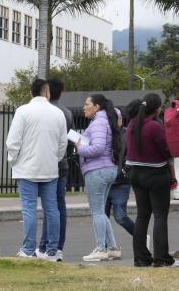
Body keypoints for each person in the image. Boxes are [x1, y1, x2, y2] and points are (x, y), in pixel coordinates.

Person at [5, 78, 67, 261]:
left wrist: (13, 160)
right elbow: (62, 143)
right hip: (49, 169)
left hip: (26, 169)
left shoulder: (23, 111)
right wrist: (54, 159)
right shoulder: (58, 114)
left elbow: (13, 141)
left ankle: (28, 250)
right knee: (52, 210)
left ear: (31, 92)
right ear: (47, 92)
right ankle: (52, 251)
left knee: (29, 209)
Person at [126, 92, 176, 267]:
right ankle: (161, 258)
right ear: (157, 109)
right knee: (160, 216)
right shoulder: (155, 127)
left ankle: (140, 258)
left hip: (136, 174)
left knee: (142, 215)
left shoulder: (133, 124)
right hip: (155, 174)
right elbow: (167, 150)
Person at [77, 94, 121, 262]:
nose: (84, 107)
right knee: (101, 211)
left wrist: (80, 147)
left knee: (97, 211)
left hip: (97, 170)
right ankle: (112, 248)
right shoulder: (107, 120)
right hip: (108, 168)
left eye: (87, 104)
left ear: (96, 107)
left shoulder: (98, 123)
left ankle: (100, 249)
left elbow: (97, 148)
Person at [45, 77, 72, 261]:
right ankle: (58, 246)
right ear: (61, 92)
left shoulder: (43, 111)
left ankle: (46, 244)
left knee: (47, 205)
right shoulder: (67, 113)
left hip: (44, 163)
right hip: (62, 163)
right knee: (59, 205)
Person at [106, 104, 136, 241]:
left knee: (120, 217)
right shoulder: (104, 134)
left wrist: (124, 171)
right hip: (105, 181)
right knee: (102, 216)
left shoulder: (126, 134)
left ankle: (140, 237)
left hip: (121, 182)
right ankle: (106, 246)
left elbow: (131, 156)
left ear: (120, 119)